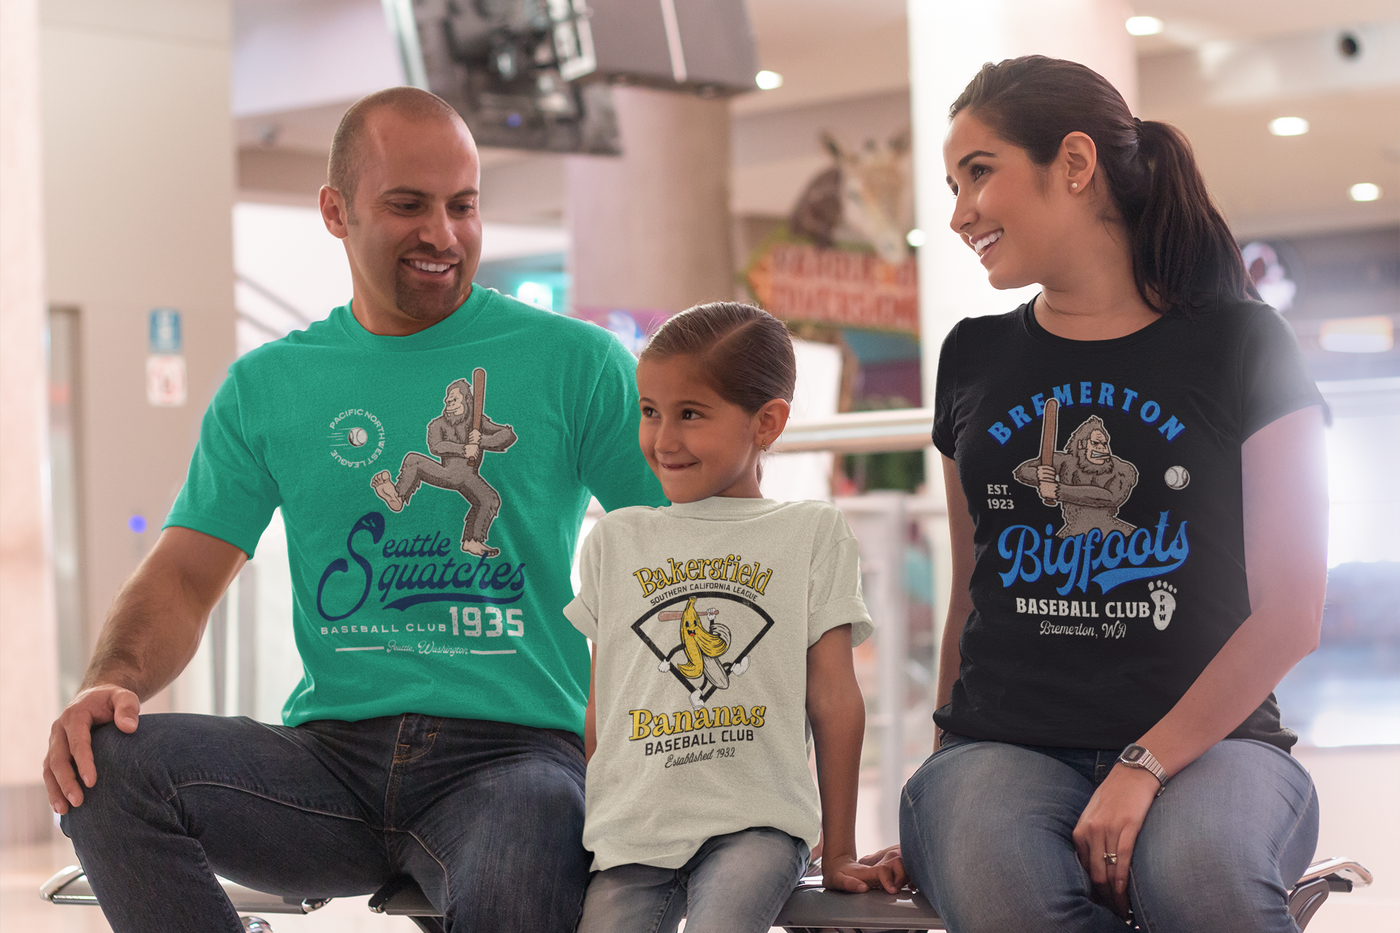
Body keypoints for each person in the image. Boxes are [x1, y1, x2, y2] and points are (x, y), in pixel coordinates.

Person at [42, 86, 664, 933]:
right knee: (102, 765)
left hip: (515, 756)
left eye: (463, 205)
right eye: (408, 205)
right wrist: (109, 680)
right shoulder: (271, 385)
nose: (442, 234)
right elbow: (184, 575)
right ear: (336, 211)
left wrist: (636, 750)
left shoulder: (578, 363)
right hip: (329, 760)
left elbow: (678, 556)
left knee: (533, 847)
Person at [883, 56, 1328, 932]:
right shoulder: (971, 357)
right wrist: (942, 794)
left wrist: (1144, 762)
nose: (958, 211)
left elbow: (1291, 613)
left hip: (1216, 746)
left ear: (1075, 165)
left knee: (1206, 878)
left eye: (979, 173)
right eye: (952, 183)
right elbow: (972, 594)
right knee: (1001, 892)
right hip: (1001, 747)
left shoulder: (1242, 342)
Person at [565, 302, 882, 933]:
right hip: (632, 835)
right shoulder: (615, 539)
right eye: (650, 412)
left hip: (759, 825)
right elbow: (604, 706)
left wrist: (840, 848)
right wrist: (595, 830)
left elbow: (836, 700)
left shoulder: (810, 531)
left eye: (690, 414)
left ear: (768, 422)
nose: (662, 439)